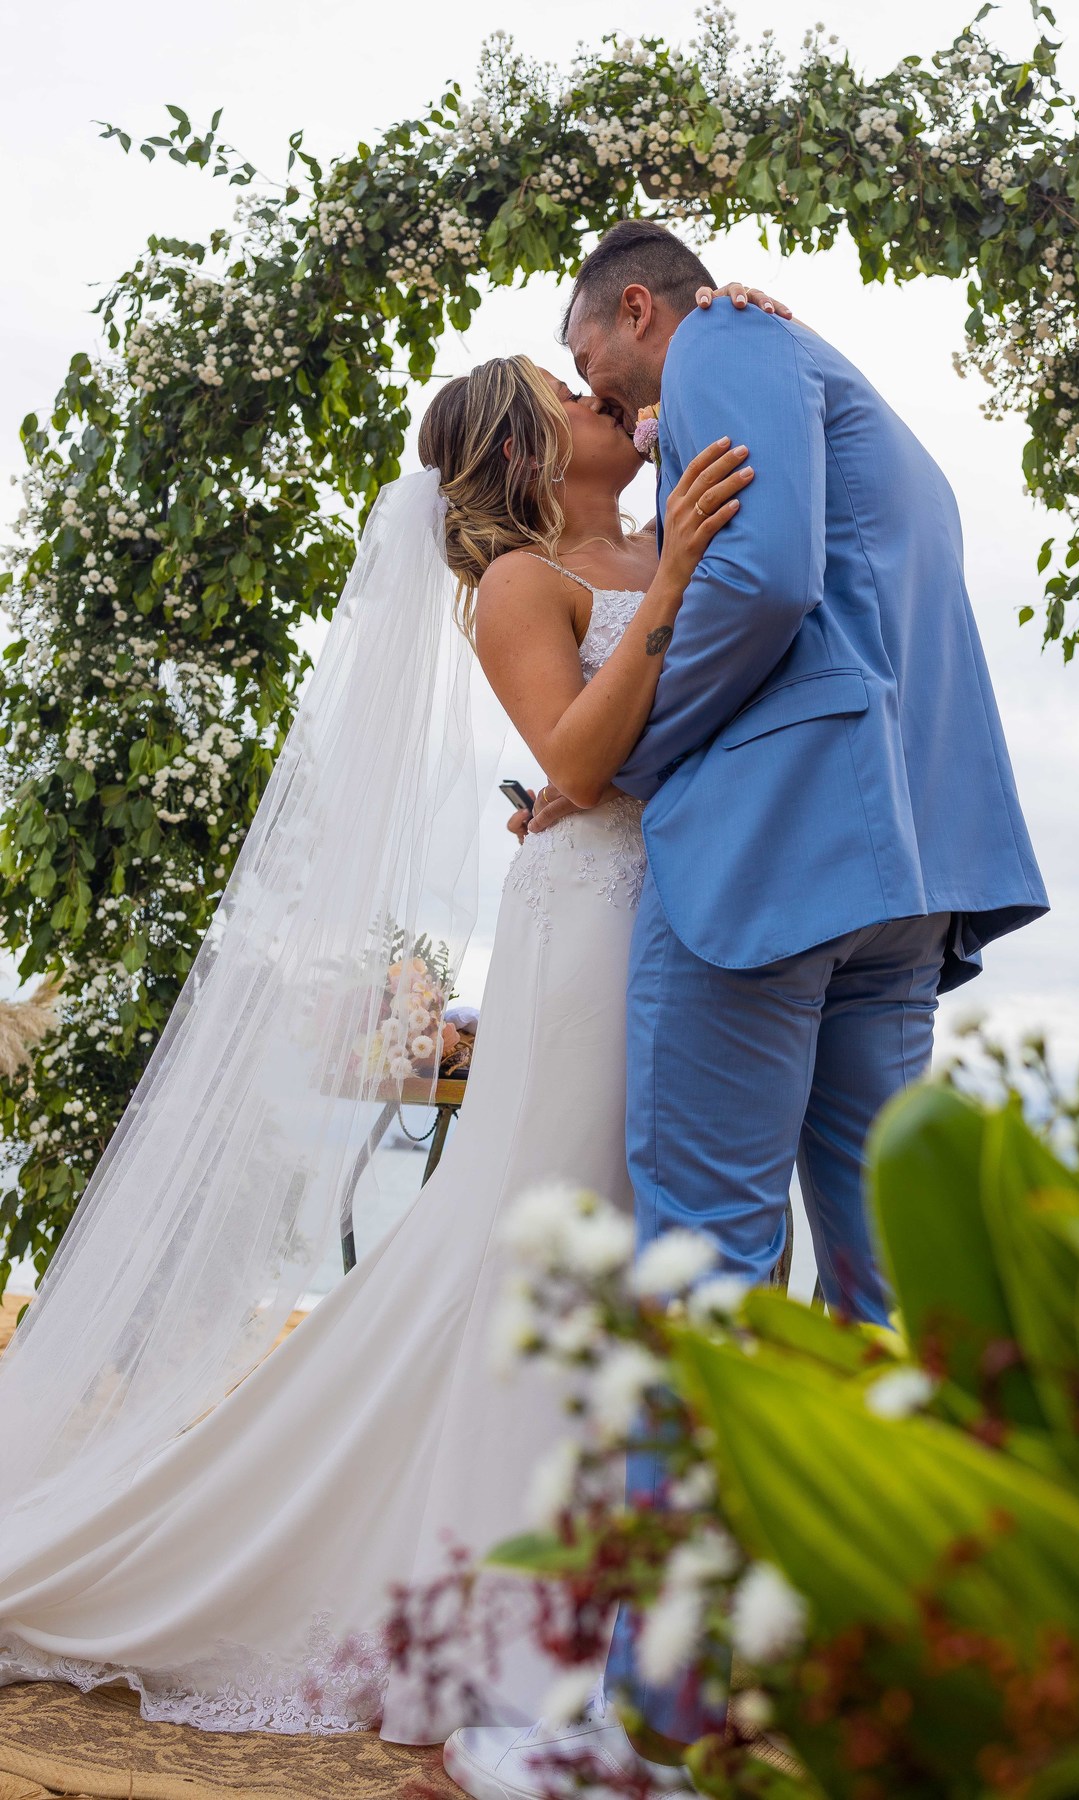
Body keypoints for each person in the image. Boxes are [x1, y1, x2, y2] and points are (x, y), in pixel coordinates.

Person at [0, 289, 770, 1744]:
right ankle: (514, 1614)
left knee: (656, 1234)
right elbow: (582, 769)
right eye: (560, 389)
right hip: (593, 921)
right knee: (556, 1234)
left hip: (699, 915)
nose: (591, 390)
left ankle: (633, 1596)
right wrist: (664, 605)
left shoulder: (673, 515)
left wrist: (744, 336)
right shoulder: (523, 586)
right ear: (523, 456)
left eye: (588, 371)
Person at [443, 220, 1048, 1798]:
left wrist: (615, 765)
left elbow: (764, 586)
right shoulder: (848, 396)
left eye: (599, 365)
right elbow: (849, 589)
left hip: (769, 864)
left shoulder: (722, 348)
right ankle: (907, 1690)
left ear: (640, 311)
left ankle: (646, 1731)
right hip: (905, 865)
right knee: (871, 1280)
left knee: (698, 1279)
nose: (621, 408)